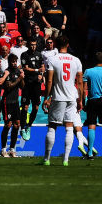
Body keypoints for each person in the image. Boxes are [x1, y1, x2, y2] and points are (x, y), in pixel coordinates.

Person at [38, 36, 83, 167]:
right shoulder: (76, 60)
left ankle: (46, 159)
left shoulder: (53, 59)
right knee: (69, 128)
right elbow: (79, 82)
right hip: (71, 97)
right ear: (68, 45)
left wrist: (46, 98)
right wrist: (80, 99)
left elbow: (50, 81)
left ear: (56, 45)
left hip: (58, 97)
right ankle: (66, 160)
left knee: (52, 127)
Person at [19, 38, 46, 140]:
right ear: (28, 45)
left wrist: (41, 74)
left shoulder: (39, 55)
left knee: (36, 108)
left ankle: (28, 125)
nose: (33, 46)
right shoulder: (24, 54)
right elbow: (25, 68)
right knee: (25, 107)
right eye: (31, 45)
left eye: (34, 45)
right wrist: (37, 70)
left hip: (36, 84)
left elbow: (42, 67)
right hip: (27, 84)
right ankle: (22, 128)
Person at [0, 55, 24, 157]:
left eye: (15, 61)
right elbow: (8, 86)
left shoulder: (18, 72)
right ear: (9, 62)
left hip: (15, 102)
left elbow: (22, 86)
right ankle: (3, 149)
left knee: (17, 124)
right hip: (7, 101)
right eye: (12, 61)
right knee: (8, 125)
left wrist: (22, 78)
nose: (14, 63)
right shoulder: (7, 72)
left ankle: (12, 149)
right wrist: (19, 79)